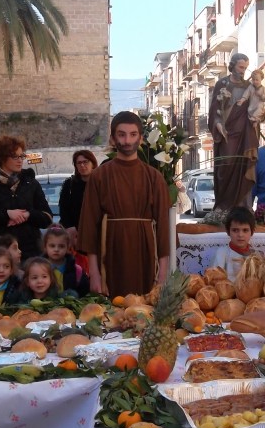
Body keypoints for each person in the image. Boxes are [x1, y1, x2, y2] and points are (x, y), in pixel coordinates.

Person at [79, 111, 171, 297]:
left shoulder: (154, 177)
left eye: (133, 134)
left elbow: (163, 228)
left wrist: (162, 274)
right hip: (111, 253)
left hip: (145, 252)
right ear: (113, 138)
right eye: (121, 134)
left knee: (145, 312)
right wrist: (95, 274)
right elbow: (89, 227)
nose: (127, 140)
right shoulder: (99, 176)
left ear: (141, 138)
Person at [0, 135, 53, 261]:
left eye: (22, 156)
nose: (20, 160)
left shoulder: (31, 183)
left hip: (31, 253)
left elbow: (47, 218)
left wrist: (28, 215)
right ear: (2, 158)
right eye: (15, 156)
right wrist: (6, 214)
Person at [209, 53, 257, 211]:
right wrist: (217, 124)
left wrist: (258, 116)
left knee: (242, 166)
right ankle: (223, 205)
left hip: (244, 132)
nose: (243, 71)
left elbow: (256, 105)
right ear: (233, 66)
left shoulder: (248, 86)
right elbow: (214, 109)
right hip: (227, 133)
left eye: (245, 68)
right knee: (226, 164)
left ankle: (241, 205)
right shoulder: (222, 84)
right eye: (241, 67)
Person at [59, 150, 99, 247]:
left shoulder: (101, 183)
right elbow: (63, 209)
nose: (82, 165)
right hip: (76, 235)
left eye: (85, 162)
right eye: (79, 163)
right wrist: (70, 227)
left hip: (97, 233)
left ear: (92, 163)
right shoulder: (70, 185)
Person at [211, 206, 258, 284]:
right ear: (228, 232)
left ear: (252, 232)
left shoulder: (256, 255)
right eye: (235, 230)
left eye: (245, 230)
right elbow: (214, 280)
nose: (240, 235)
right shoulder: (221, 253)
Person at [42, 225, 89, 297]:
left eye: (61, 246)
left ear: (68, 248)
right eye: (52, 246)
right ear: (45, 247)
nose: (56, 249)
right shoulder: (38, 268)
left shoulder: (76, 270)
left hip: (69, 307)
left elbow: (84, 292)